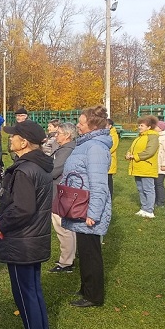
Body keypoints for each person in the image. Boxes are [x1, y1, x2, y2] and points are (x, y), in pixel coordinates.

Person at [0, 120, 53, 329]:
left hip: (23, 241)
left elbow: (23, 209)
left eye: (13, 136)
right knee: (33, 290)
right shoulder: (39, 165)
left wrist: (1, 224)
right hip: (32, 239)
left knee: (25, 294)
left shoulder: (25, 170)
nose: (10, 139)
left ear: (24, 142)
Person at [61, 105, 112, 308]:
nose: (78, 126)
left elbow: (99, 184)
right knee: (85, 249)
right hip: (80, 205)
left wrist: (93, 213)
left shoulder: (96, 148)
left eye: (81, 123)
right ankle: (86, 288)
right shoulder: (87, 144)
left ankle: (94, 295)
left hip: (88, 208)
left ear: (91, 125)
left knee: (91, 252)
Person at [48, 122, 78, 274]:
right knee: (68, 226)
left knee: (62, 226)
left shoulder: (66, 150)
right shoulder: (68, 148)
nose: (55, 135)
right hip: (64, 191)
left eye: (58, 133)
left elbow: (54, 171)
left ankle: (66, 262)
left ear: (67, 135)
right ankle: (70, 256)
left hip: (60, 192)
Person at [126, 115, 160, 218]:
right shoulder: (139, 137)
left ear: (149, 127)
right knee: (140, 189)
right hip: (138, 167)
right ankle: (144, 208)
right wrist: (128, 153)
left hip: (147, 168)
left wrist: (135, 156)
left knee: (148, 189)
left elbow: (150, 151)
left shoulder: (153, 137)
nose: (139, 127)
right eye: (139, 125)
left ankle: (149, 210)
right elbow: (132, 148)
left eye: (142, 125)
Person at [107, 118, 119, 197]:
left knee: (108, 179)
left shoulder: (113, 135)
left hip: (110, 159)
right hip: (105, 159)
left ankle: (110, 196)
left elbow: (113, 147)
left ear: (110, 126)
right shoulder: (106, 134)